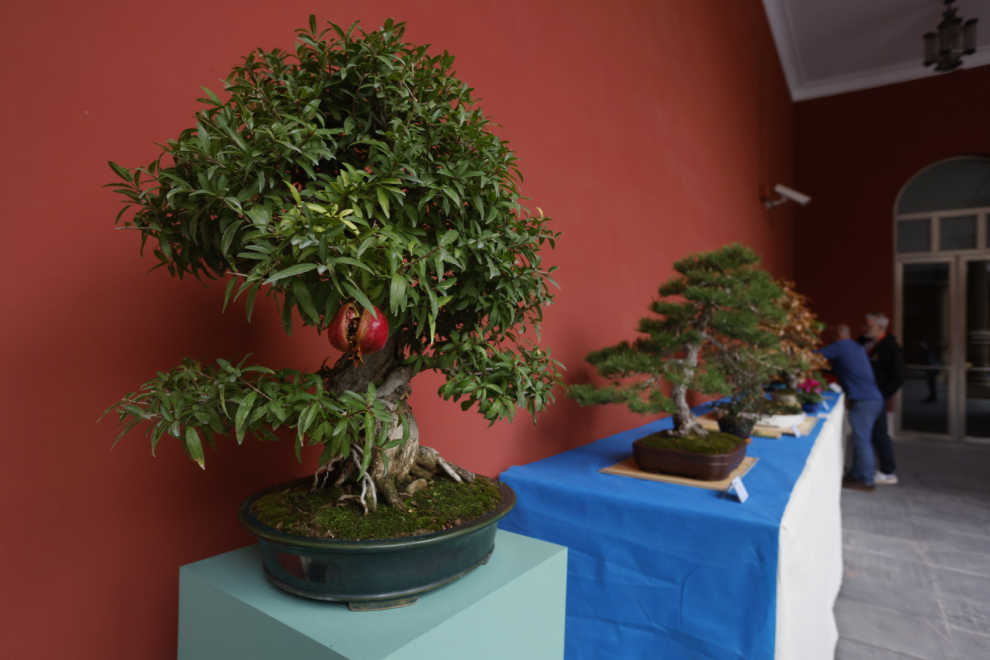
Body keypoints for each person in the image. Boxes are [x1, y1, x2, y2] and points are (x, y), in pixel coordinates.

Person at [818, 324, 885, 492]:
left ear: (838, 334)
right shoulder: (855, 347)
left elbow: (813, 357)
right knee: (860, 439)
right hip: (871, 399)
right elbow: (841, 368)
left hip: (865, 400)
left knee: (862, 440)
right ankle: (857, 473)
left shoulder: (841, 346)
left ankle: (866, 479)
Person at [857, 313, 905, 485]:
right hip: (863, 395)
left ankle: (887, 471)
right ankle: (864, 468)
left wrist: (882, 394)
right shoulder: (863, 342)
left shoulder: (891, 348)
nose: (864, 329)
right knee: (865, 434)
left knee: (878, 431)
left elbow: (898, 377)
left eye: (868, 326)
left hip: (877, 397)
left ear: (880, 328)